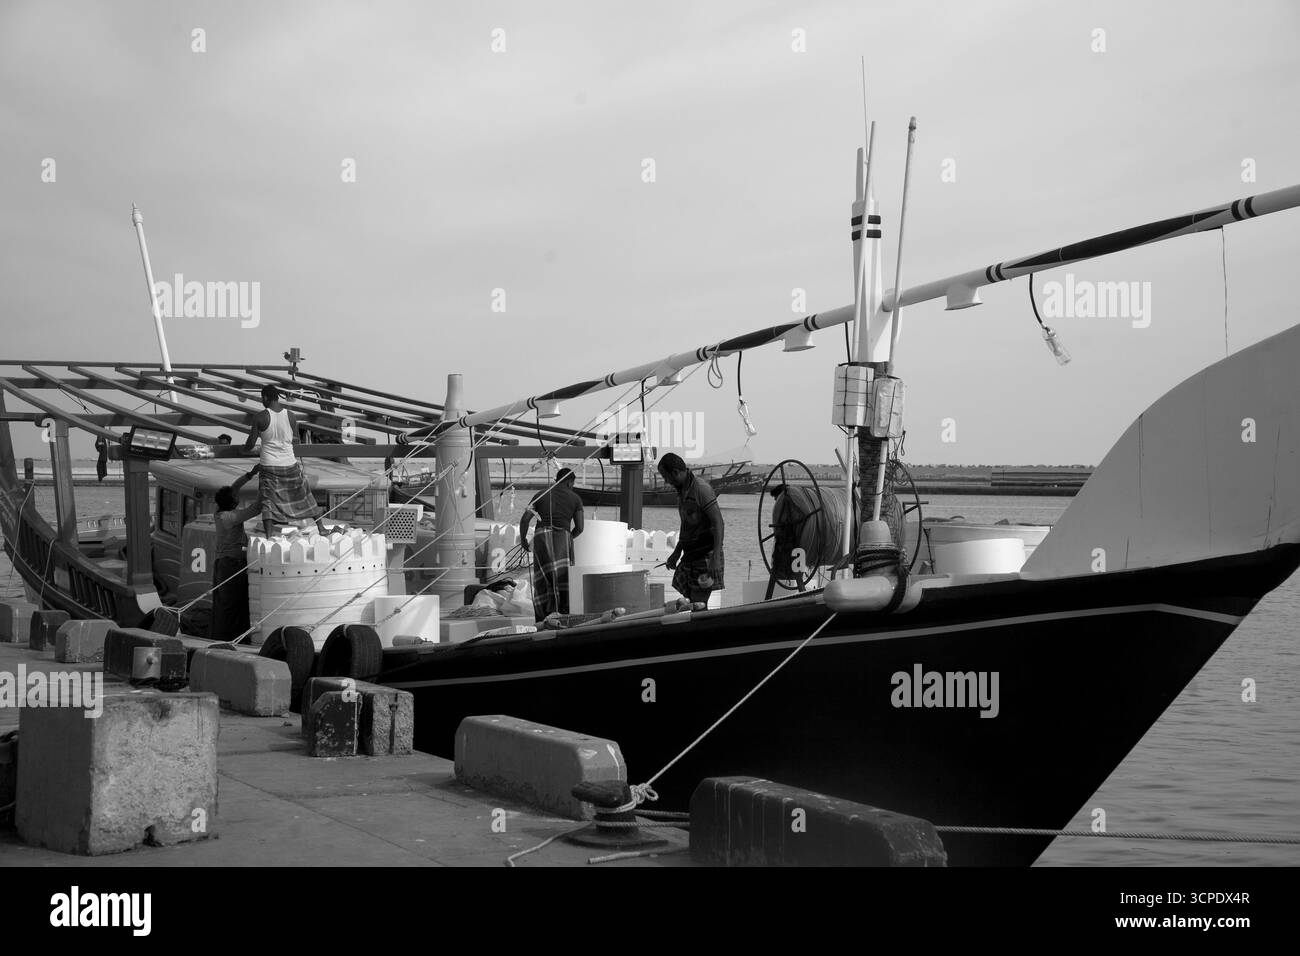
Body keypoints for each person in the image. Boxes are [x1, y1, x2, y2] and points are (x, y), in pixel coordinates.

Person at [242, 384, 338, 539]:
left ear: (266, 397)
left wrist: (243, 450)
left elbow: (250, 443)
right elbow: (295, 440)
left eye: (262, 398)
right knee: (304, 495)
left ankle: (268, 536)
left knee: (268, 500)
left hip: (269, 466)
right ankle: (321, 528)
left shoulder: (260, 417)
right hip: (289, 463)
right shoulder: (291, 415)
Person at [519, 467, 584, 621]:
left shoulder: (540, 494)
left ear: (557, 480)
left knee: (543, 578)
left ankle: (543, 617)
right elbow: (580, 528)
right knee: (563, 578)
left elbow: (525, 519)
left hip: (542, 537)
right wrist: (568, 539)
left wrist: (523, 540)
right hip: (563, 536)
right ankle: (562, 613)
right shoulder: (575, 499)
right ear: (570, 483)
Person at [659, 452, 725, 604]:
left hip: (706, 555)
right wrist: (676, 552)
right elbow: (686, 525)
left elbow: (718, 523)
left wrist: (715, 558)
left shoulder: (701, 489)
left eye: (666, 477)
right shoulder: (682, 491)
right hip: (690, 554)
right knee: (691, 600)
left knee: (698, 603)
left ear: (675, 472)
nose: (666, 481)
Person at [211, 465, 261, 641]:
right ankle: (228, 639)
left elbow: (233, 488)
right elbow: (256, 508)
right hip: (231, 565)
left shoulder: (218, 512)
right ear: (232, 502)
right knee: (232, 604)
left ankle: (220, 636)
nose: (237, 496)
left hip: (222, 563)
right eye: (235, 497)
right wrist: (265, 485)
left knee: (222, 603)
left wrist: (251, 474)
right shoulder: (230, 518)